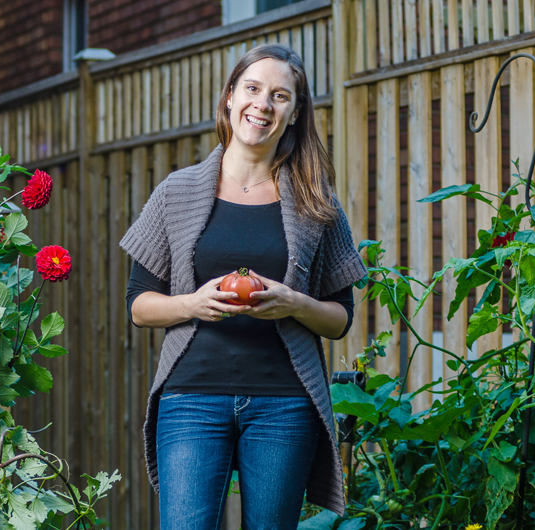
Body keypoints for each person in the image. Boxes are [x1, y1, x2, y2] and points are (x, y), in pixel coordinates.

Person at [119, 43, 366, 530]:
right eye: (252, 89)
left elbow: (341, 319)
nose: (263, 104)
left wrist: (294, 302)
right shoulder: (177, 191)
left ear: (294, 113)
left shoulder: (317, 203)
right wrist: (195, 302)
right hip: (191, 398)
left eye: (280, 96)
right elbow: (139, 306)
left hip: (284, 404)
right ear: (230, 97)